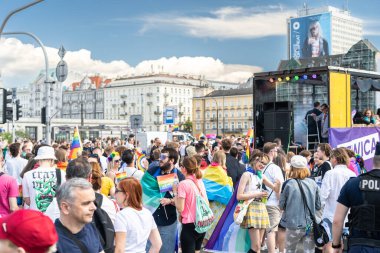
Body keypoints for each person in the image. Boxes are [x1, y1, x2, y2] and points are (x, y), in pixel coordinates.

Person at [332, 142, 380, 252]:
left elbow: (337, 221)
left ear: (373, 160)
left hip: (359, 246)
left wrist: (336, 246)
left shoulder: (353, 183)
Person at [237, 152, 281, 253]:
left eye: (264, 163)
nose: (262, 165)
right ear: (253, 161)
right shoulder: (246, 174)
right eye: (260, 162)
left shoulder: (262, 176)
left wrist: (278, 184)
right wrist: (257, 194)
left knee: (259, 247)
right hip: (251, 208)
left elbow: (275, 189)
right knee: (256, 247)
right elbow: (239, 196)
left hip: (261, 208)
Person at [144, 147, 185, 253]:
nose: (160, 159)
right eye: (160, 156)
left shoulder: (179, 176)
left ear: (172, 160)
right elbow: (143, 190)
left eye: (163, 157)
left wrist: (170, 200)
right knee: (149, 249)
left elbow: (183, 201)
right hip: (150, 217)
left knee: (167, 250)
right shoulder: (152, 170)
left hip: (168, 220)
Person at [279, 155, 321, 253]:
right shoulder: (313, 183)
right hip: (309, 225)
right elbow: (318, 205)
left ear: (292, 168)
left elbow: (281, 206)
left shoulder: (288, 184)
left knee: (290, 250)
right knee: (309, 251)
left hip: (292, 224)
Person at [320, 148, 356, 253]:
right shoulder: (352, 174)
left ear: (335, 158)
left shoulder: (330, 174)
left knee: (331, 244)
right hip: (347, 217)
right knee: (345, 246)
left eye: (331, 158)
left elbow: (323, 196)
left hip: (331, 215)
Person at [55, 178, 104, 253]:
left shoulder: (90, 227)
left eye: (93, 201)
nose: (94, 207)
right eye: (86, 203)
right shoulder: (51, 242)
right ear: (65, 207)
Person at [114, 177, 162, 253]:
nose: (114, 194)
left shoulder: (122, 215)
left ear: (127, 195)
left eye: (117, 191)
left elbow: (119, 249)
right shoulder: (147, 213)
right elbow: (157, 244)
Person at [173, 156, 209, 253]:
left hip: (190, 225)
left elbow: (180, 208)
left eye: (181, 166)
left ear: (184, 168)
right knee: (197, 250)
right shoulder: (199, 180)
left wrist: (175, 192)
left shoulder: (183, 184)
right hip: (202, 222)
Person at [22, 146, 65, 212]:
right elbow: (64, 196)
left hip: (35, 215)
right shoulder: (61, 173)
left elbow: (27, 200)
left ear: (38, 160)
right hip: (55, 215)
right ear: (52, 160)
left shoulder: (27, 175)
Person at [202, 151, 233, 241]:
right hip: (219, 203)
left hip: (208, 202)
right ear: (224, 160)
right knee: (216, 225)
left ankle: (205, 244)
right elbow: (227, 188)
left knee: (207, 224)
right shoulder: (222, 171)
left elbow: (205, 184)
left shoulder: (208, 169)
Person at [262, 142, 285, 253]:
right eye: (275, 150)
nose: (277, 152)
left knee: (263, 230)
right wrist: (281, 203)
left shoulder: (260, 166)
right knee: (271, 231)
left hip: (261, 202)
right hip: (272, 203)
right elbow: (278, 187)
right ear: (271, 152)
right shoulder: (275, 168)